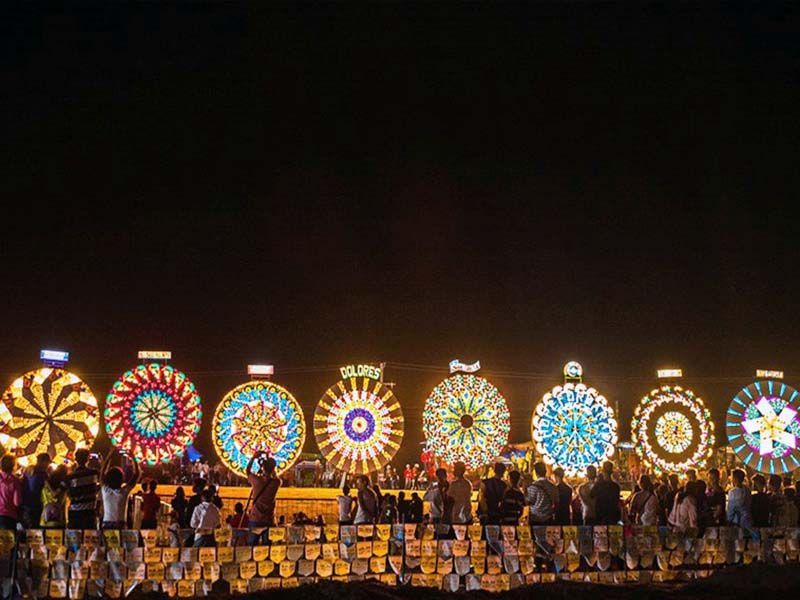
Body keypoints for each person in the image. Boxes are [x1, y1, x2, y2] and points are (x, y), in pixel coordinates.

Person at [100, 450, 140, 529]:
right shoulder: (123, 491)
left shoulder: (105, 490)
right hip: (120, 524)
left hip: (106, 524)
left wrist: (109, 457)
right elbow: (136, 474)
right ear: (122, 479)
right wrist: (133, 458)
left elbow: (102, 473)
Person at [64, 448, 101, 529]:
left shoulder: (70, 477)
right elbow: (100, 485)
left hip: (75, 513)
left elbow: (65, 491)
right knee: (89, 538)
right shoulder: (94, 473)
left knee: (74, 539)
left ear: (75, 459)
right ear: (88, 459)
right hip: (89, 512)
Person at [247, 452, 281, 527]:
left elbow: (248, 471)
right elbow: (275, 476)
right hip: (268, 518)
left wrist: (253, 458)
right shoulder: (276, 483)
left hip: (255, 518)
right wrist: (269, 464)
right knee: (267, 538)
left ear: (263, 467)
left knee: (253, 538)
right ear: (273, 468)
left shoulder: (256, 480)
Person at [21, 453, 51, 529]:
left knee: (28, 531)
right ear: (43, 462)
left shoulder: (27, 471)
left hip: (26, 505)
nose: (48, 465)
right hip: (37, 506)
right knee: (36, 532)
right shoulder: (43, 475)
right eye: (47, 463)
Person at [0, 455, 22, 530]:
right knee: (7, 541)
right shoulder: (15, 481)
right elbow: (17, 502)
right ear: (13, 466)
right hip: (8, 516)